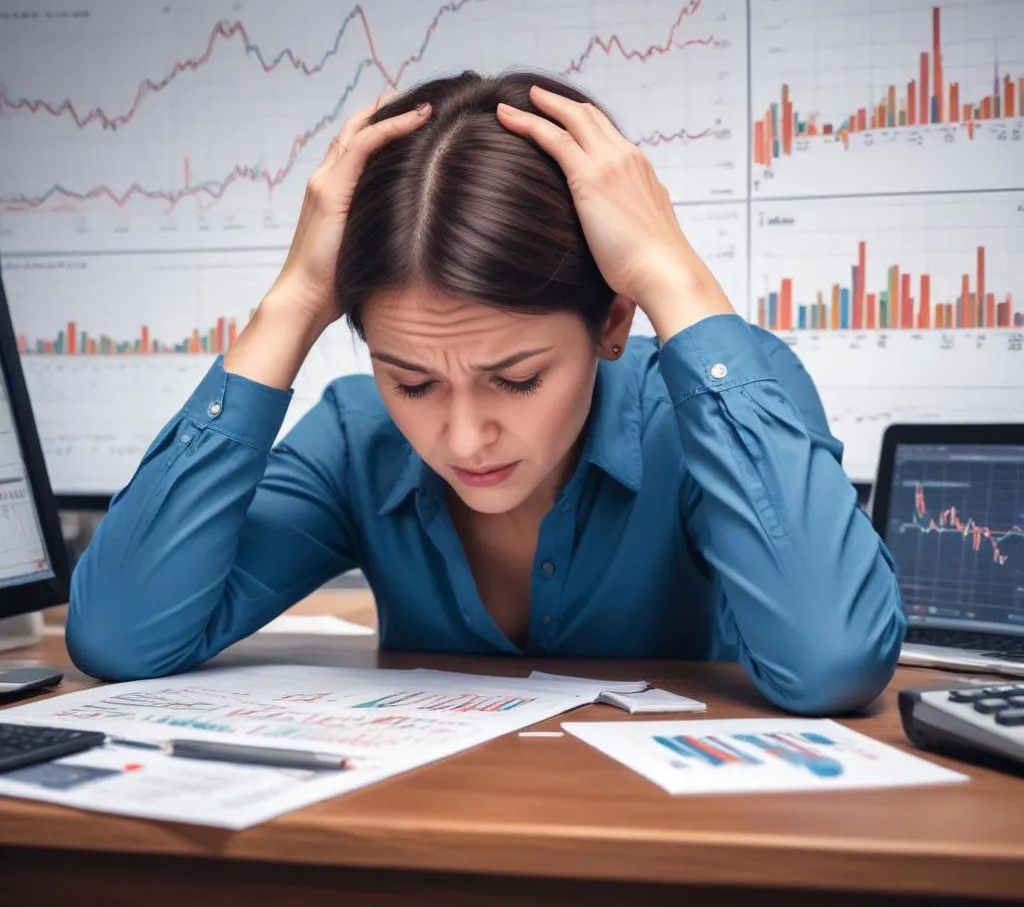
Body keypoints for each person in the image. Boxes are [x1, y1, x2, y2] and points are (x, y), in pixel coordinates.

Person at [66, 70, 906, 714]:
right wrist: (291, 302)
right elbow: (119, 635)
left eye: (518, 378)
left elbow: (831, 661)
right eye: (412, 381)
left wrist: (671, 274)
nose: (464, 438)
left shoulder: (711, 411)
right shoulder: (356, 438)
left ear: (613, 322)